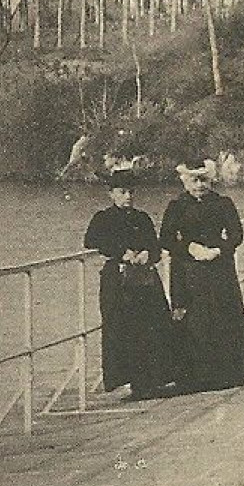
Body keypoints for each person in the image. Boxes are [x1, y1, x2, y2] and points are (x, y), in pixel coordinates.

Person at [161, 158, 244, 391]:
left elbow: (236, 234)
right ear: (185, 182)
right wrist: (189, 248)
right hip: (188, 268)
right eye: (194, 180)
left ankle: (230, 373)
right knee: (194, 319)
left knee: (223, 315)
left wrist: (218, 250)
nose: (199, 184)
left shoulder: (223, 203)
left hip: (218, 267)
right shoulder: (177, 206)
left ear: (210, 180)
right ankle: (196, 376)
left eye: (203, 179)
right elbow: (165, 239)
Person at [83, 169, 179, 400]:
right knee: (120, 328)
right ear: (111, 194)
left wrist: (148, 253)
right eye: (122, 192)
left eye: (130, 192)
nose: (128, 196)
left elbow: (156, 247)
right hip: (118, 279)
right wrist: (121, 252)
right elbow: (91, 240)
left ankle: (151, 380)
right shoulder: (103, 218)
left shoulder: (142, 218)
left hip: (145, 279)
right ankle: (123, 381)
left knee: (151, 327)